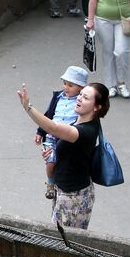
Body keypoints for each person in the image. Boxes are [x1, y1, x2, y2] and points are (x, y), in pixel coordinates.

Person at [17, 81, 110, 230]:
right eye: (80, 94)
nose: (79, 98)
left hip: (73, 198)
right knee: (59, 238)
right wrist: (52, 153)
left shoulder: (83, 131)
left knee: (64, 243)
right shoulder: (79, 121)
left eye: (86, 98)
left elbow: (52, 128)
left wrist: (28, 107)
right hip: (63, 191)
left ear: (97, 107)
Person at [34, 65, 89, 200]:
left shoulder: (81, 102)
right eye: (64, 84)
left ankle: (62, 185)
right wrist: (40, 131)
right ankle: (50, 183)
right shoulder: (58, 97)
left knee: (64, 163)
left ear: (81, 88)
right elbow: (48, 115)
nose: (65, 87)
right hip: (52, 137)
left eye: (70, 85)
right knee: (51, 162)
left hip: (67, 138)